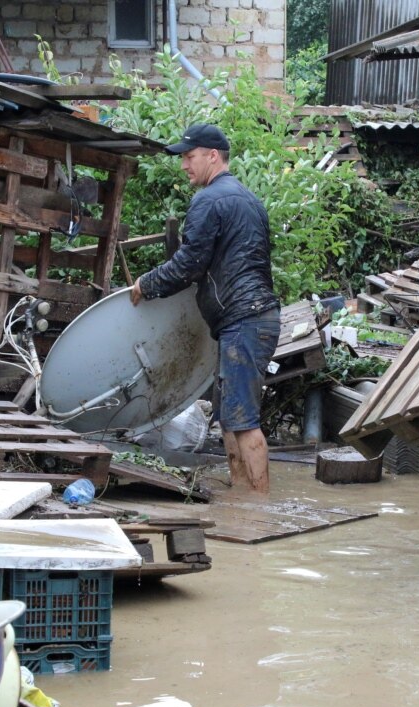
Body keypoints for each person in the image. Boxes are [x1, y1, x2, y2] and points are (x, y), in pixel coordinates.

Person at [131, 123, 280, 493]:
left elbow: (188, 265)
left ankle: (260, 510)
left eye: (189, 156)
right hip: (249, 316)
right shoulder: (249, 200)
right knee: (230, 419)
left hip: (244, 318)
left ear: (212, 156)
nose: (184, 165)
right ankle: (241, 500)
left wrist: (145, 285)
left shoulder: (209, 200)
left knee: (243, 420)